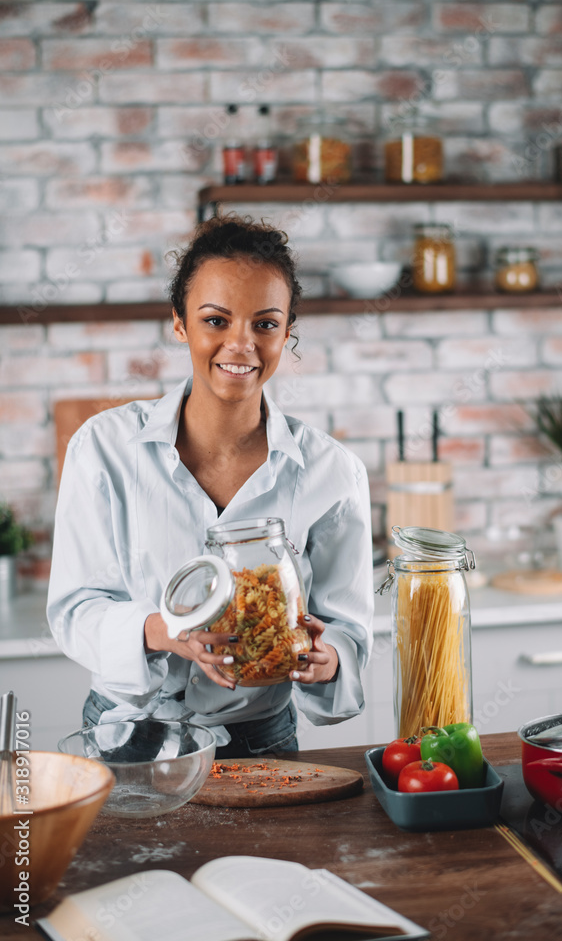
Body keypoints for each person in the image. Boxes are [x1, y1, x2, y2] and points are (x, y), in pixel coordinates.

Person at [47, 215, 374, 758]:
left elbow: (347, 628)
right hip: (130, 736)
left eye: (265, 324)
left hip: (259, 740)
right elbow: (74, 608)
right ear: (180, 323)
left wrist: (329, 658)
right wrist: (161, 629)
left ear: (287, 330)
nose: (241, 345)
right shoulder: (103, 448)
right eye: (216, 320)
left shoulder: (332, 471)